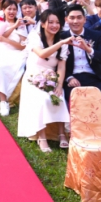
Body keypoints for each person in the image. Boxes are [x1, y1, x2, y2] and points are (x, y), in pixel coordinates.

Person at [60, 5, 101, 132]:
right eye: (72, 18)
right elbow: (57, 64)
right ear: (66, 19)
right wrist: (68, 78)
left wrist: (89, 49)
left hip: (94, 77)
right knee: (76, 101)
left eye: (79, 18)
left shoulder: (95, 35)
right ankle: (79, 133)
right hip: (72, 78)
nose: (75, 21)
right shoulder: (61, 37)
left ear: (85, 20)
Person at [17, 9, 71, 151]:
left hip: (50, 76)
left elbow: (61, 66)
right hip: (33, 77)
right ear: (42, 24)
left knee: (59, 97)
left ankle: (61, 134)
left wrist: (59, 84)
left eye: (57, 22)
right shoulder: (35, 36)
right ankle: (42, 137)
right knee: (42, 99)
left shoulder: (61, 41)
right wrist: (62, 43)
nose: (54, 25)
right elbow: (41, 54)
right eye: (50, 22)